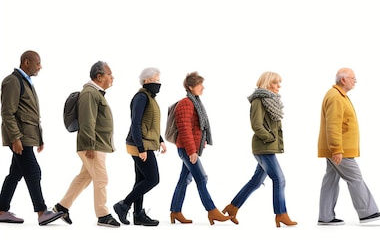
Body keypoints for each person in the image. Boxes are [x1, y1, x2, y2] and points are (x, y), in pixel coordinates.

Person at [222, 71, 297, 227]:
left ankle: (233, 207)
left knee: (256, 182)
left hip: (267, 147)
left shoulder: (272, 100)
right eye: (276, 82)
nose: (279, 86)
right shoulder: (258, 100)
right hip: (263, 147)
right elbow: (256, 125)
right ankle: (281, 214)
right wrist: (270, 138)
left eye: (279, 83)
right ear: (267, 83)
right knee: (279, 179)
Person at [53, 61, 120, 227]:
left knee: (85, 177)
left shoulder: (95, 93)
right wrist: (89, 145)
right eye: (109, 74)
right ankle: (103, 215)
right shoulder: (90, 93)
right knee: (101, 179)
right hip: (93, 145)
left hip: (96, 144)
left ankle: (61, 207)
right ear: (99, 76)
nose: (112, 77)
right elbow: (87, 121)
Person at [317, 68, 380, 225]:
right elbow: (333, 126)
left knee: (331, 179)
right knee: (355, 177)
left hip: (338, 148)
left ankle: (325, 216)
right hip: (340, 149)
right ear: (343, 80)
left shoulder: (340, 96)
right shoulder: (335, 97)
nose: (355, 81)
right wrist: (336, 149)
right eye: (352, 78)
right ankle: (367, 212)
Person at [0, 50, 63, 225]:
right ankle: (42, 212)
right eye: (38, 63)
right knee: (34, 171)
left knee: (15, 174)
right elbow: (7, 112)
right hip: (20, 137)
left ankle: (1, 209)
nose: (40, 66)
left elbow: (30, 113)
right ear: (26, 62)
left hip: (28, 136)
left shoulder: (25, 82)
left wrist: (39, 138)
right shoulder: (12, 81)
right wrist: (15, 138)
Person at [169, 71, 231, 225]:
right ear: (191, 87)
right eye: (199, 85)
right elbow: (184, 128)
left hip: (192, 148)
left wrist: (201, 140)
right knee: (202, 178)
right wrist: (191, 151)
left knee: (184, 179)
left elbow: (197, 127)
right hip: (186, 149)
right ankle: (212, 211)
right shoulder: (186, 103)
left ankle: (175, 211)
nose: (203, 87)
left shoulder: (195, 102)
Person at [113, 68, 166, 227]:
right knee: (153, 179)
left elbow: (151, 123)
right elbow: (135, 123)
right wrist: (141, 148)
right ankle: (123, 205)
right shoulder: (141, 97)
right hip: (139, 144)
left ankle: (138, 215)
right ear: (146, 80)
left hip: (147, 143)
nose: (159, 83)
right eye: (156, 79)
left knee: (141, 180)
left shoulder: (150, 97)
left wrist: (161, 140)